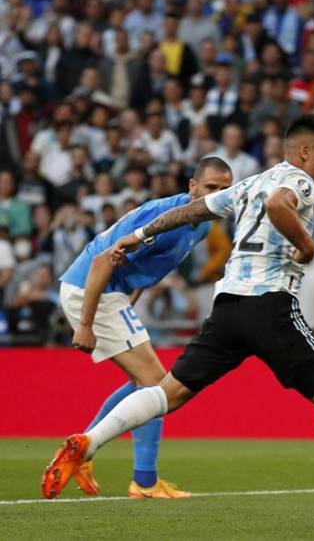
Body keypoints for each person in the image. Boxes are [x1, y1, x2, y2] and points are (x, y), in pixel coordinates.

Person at [42, 114, 314, 517]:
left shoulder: (251, 183)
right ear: (304, 152)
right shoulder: (298, 181)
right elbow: (278, 205)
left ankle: (88, 442)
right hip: (269, 305)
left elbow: (189, 211)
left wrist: (137, 236)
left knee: (168, 392)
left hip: (228, 308)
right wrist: (305, 244)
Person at [55, 156, 233, 499]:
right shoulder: (166, 218)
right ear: (192, 187)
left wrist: (129, 301)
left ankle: (85, 451)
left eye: (225, 190)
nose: (218, 196)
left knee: (146, 384)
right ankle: (144, 482)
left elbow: (147, 265)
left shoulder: (205, 225)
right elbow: (101, 261)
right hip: (91, 288)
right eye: (211, 188)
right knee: (155, 384)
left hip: (113, 293)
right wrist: (86, 324)